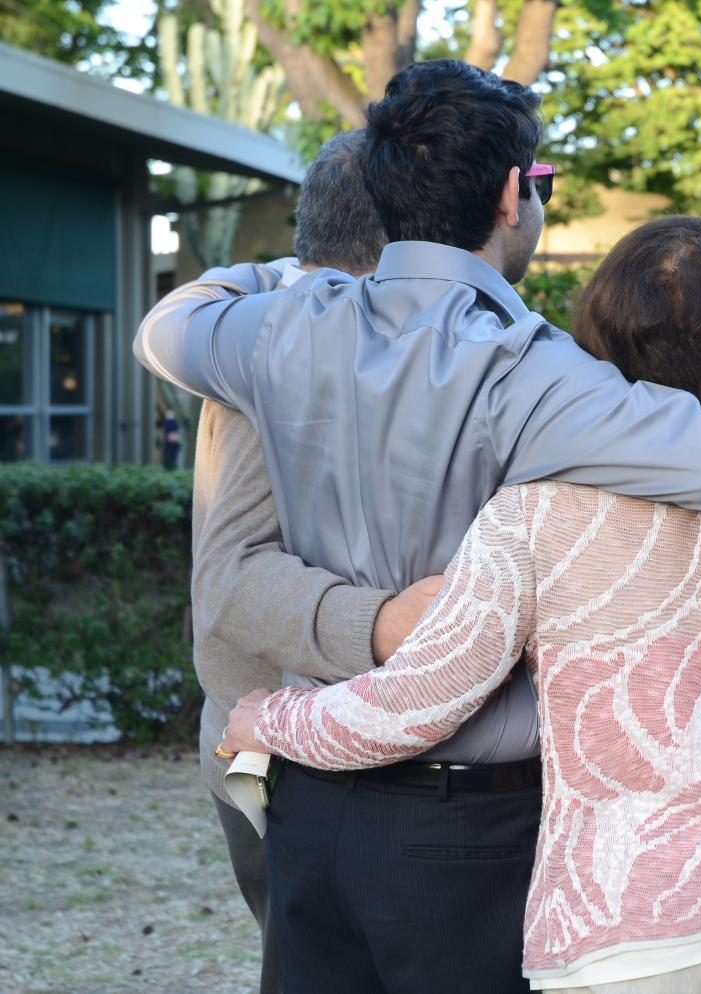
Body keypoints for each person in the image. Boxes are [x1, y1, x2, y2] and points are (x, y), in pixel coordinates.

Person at [136, 62, 701, 994]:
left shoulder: (278, 326)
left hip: (310, 815)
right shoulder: (526, 369)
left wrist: (280, 276)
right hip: (467, 835)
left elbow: (166, 328)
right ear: (512, 195)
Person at [187, 129, 440, 994]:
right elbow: (229, 583)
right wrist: (384, 625)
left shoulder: (299, 333)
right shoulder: (286, 350)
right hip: (285, 767)